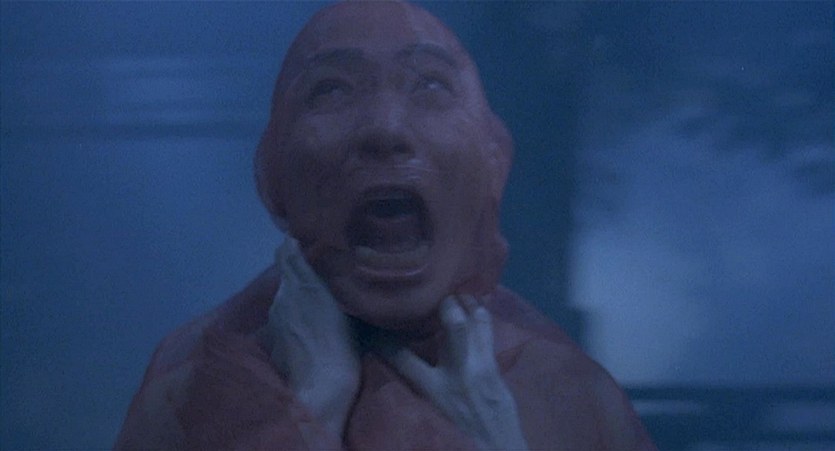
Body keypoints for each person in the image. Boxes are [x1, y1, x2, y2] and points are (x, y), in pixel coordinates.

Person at [115, 2, 656, 450]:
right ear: (276, 170)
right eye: (332, 90)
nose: (385, 128)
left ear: (491, 161)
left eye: (431, 85)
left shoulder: (571, 400)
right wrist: (314, 405)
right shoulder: (192, 393)